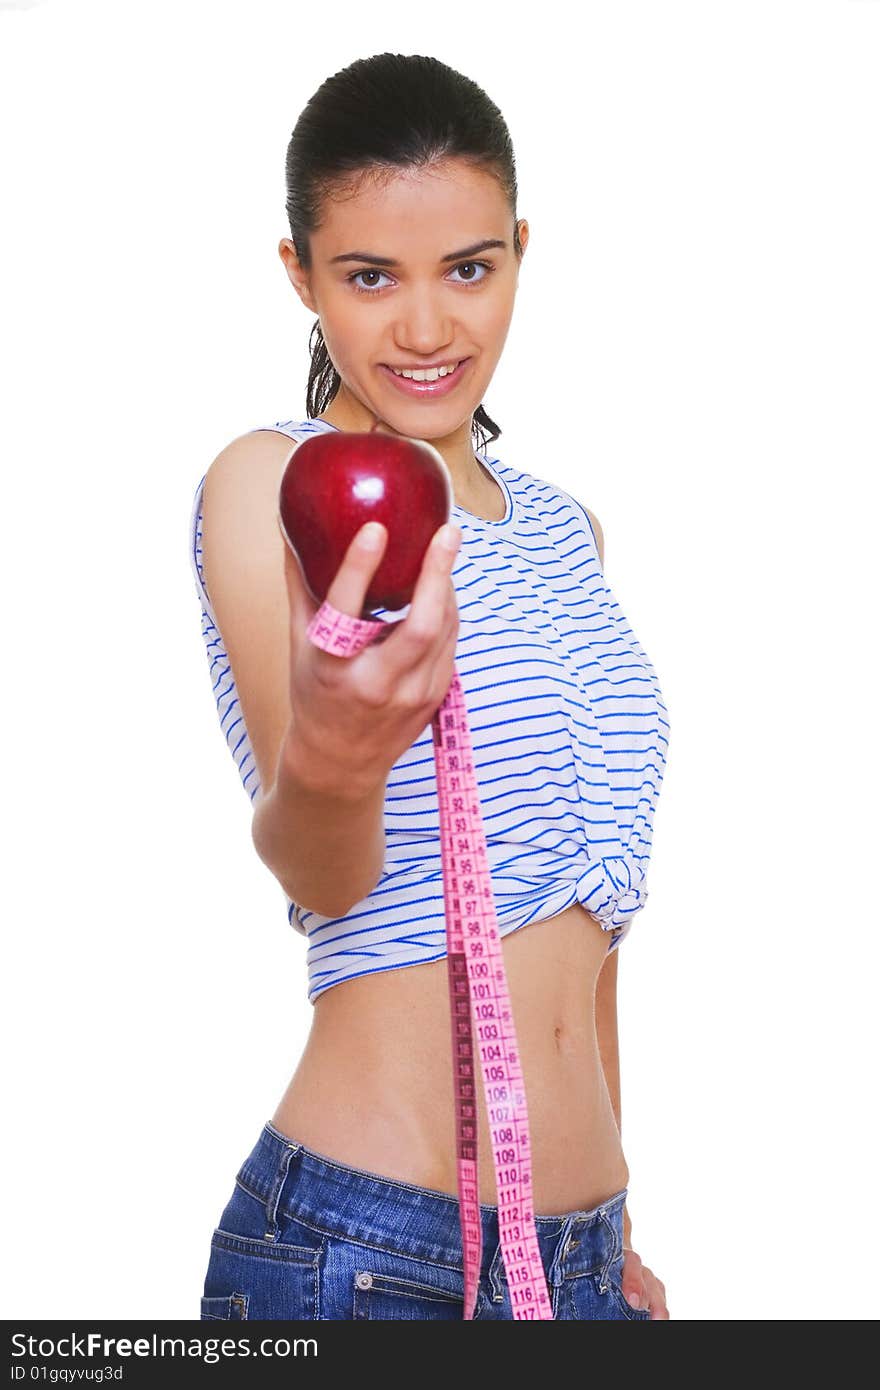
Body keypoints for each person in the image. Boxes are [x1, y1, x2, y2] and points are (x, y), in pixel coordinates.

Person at [190, 52, 671, 1321]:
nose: (424, 328)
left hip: (579, 1257)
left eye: (468, 267)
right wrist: (336, 760)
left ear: (519, 248)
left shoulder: (572, 533)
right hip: (369, 1251)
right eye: (367, 275)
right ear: (298, 272)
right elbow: (321, 869)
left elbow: (590, 927)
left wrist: (620, 1224)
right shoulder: (275, 485)